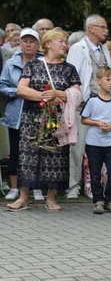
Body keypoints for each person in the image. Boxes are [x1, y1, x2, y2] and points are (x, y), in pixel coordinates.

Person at [7, 28, 81, 212]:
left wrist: (60, 94)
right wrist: (44, 95)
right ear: (48, 44)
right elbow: (21, 89)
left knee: (55, 157)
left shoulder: (69, 69)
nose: (65, 44)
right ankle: (23, 198)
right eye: (61, 41)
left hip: (56, 120)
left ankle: (50, 198)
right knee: (28, 156)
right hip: (32, 118)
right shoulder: (33, 65)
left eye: (66, 41)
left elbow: (78, 94)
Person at [65, 14, 111, 199]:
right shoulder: (78, 48)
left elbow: (110, 75)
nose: (106, 30)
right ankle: (73, 187)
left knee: (98, 148)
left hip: (103, 105)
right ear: (92, 28)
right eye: (103, 27)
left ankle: (95, 186)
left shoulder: (105, 50)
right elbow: (71, 75)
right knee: (77, 148)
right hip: (83, 105)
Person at [0, 28, 44, 202]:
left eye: (32, 41)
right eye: (25, 41)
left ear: (38, 44)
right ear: (20, 43)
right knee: (16, 152)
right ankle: (14, 187)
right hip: (16, 113)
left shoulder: (43, 62)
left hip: (38, 112)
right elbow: (2, 85)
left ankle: (37, 188)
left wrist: (34, 94)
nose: (28, 44)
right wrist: (19, 92)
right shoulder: (11, 62)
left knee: (38, 151)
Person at [81, 67, 111, 214]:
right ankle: (98, 200)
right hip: (94, 143)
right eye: (108, 80)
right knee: (95, 173)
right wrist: (97, 123)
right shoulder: (93, 101)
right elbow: (84, 119)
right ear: (99, 81)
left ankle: (110, 200)